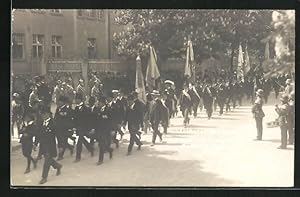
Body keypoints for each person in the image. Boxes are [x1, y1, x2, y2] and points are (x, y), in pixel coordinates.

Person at [39, 108, 62, 184]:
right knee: (48, 160)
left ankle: (44, 177)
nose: (43, 116)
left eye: (44, 114)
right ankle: (58, 166)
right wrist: (35, 143)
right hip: (43, 146)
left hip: (50, 145)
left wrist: (60, 145)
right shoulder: (41, 122)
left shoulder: (53, 123)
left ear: (48, 114)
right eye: (42, 114)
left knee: (47, 161)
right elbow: (38, 134)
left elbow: (58, 135)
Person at [74, 93, 94, 162]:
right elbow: (75, 118)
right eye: (75, 99)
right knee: (82, 139)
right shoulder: (76, 108)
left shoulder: (86, 108)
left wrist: (90, 128)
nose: (76, 100)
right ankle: (90, 149)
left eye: (77, 99)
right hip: (79, 127)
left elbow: (89, 119)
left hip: (84, 127)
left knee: (79, 141)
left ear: (80, 100)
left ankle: (78, 157)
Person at [54, 96, 75, 161]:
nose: (58, 103)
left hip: (65, 128)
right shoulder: (57, 109)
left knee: (62, 142)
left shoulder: (67, 110)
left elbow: (69, 120)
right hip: (58, 128)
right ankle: (70, 147)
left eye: (60, 102)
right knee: (61, 141)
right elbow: (56, 118)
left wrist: (70, 128)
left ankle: (60, 155)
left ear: (63, 103)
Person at [94, 96, 113, 165]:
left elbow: (110, 121)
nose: (98, 103)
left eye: (99, 102)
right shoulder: (97, 109)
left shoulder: (108, 110)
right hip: (98, 129)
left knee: (101, 144)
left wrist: (110, 130)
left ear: (103, 103)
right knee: (102, 143)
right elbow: (95, 119)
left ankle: (100, 160)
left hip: (105, 130)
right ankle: (109, 150)